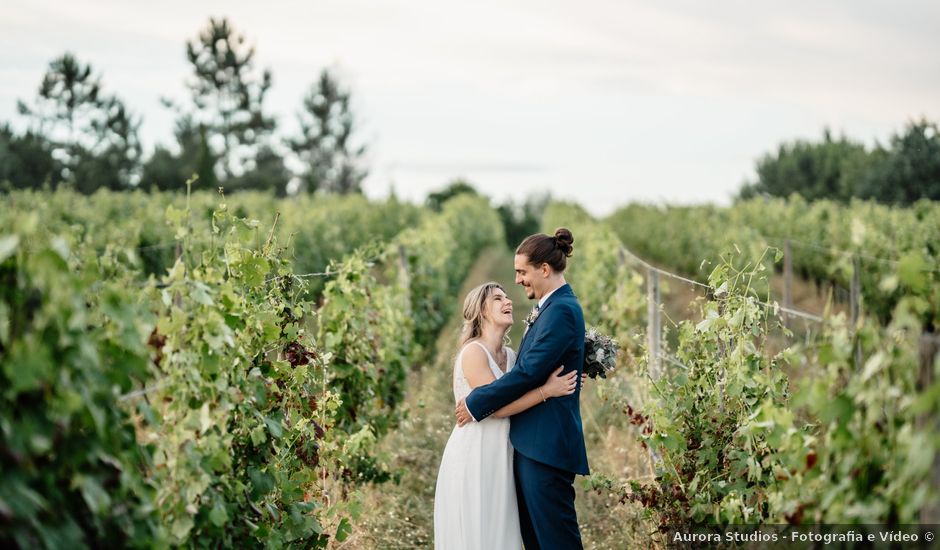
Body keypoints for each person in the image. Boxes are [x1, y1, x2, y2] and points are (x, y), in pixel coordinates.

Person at [456, 228, 589, 549]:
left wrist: (477, 402)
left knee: (556, 541)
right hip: (533, 444)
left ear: (544, 269)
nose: (517, 280)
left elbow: (528, 372)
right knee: (535, 539)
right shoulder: (553, 307)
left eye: (522, 272)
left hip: (545, 447)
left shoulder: (560, 310)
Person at [433, 281, 580, 550]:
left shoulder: (512, 357)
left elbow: (521, 386)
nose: (508, 301)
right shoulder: (473, 353)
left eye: (507, 297)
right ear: (481, 311)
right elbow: (497, 408)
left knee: (502, 530)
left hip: (503, 454)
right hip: (475, 454)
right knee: (479, 528)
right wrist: (547, 391)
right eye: (498, 299)